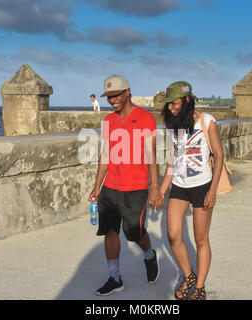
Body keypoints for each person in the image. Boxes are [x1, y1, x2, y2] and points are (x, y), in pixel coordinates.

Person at [88, 74, 164, 296]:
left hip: (136, 187)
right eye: (109, 97)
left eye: (116, 95)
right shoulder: (108, 121)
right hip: (111, 186)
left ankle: (149, 255)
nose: (112, 100)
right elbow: (105, 155)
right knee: (109, 231)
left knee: (134, 232)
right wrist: (97, 186)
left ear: (128, 92)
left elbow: (151, 157)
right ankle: (115, 277)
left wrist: (155, 187)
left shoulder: (144, 118)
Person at [159, 81, 224, 300]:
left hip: (202, 186)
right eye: (168, 104)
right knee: (173, 235)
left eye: (174, 103)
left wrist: (212, 191)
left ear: (187, 100)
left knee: (201, 238)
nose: (170, 108)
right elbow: (172, 161)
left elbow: (219, 155)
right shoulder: (174, 125)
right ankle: (189, 276)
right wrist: (161, 190)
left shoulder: (207, 121)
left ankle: (200, 287)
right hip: (179, 185)